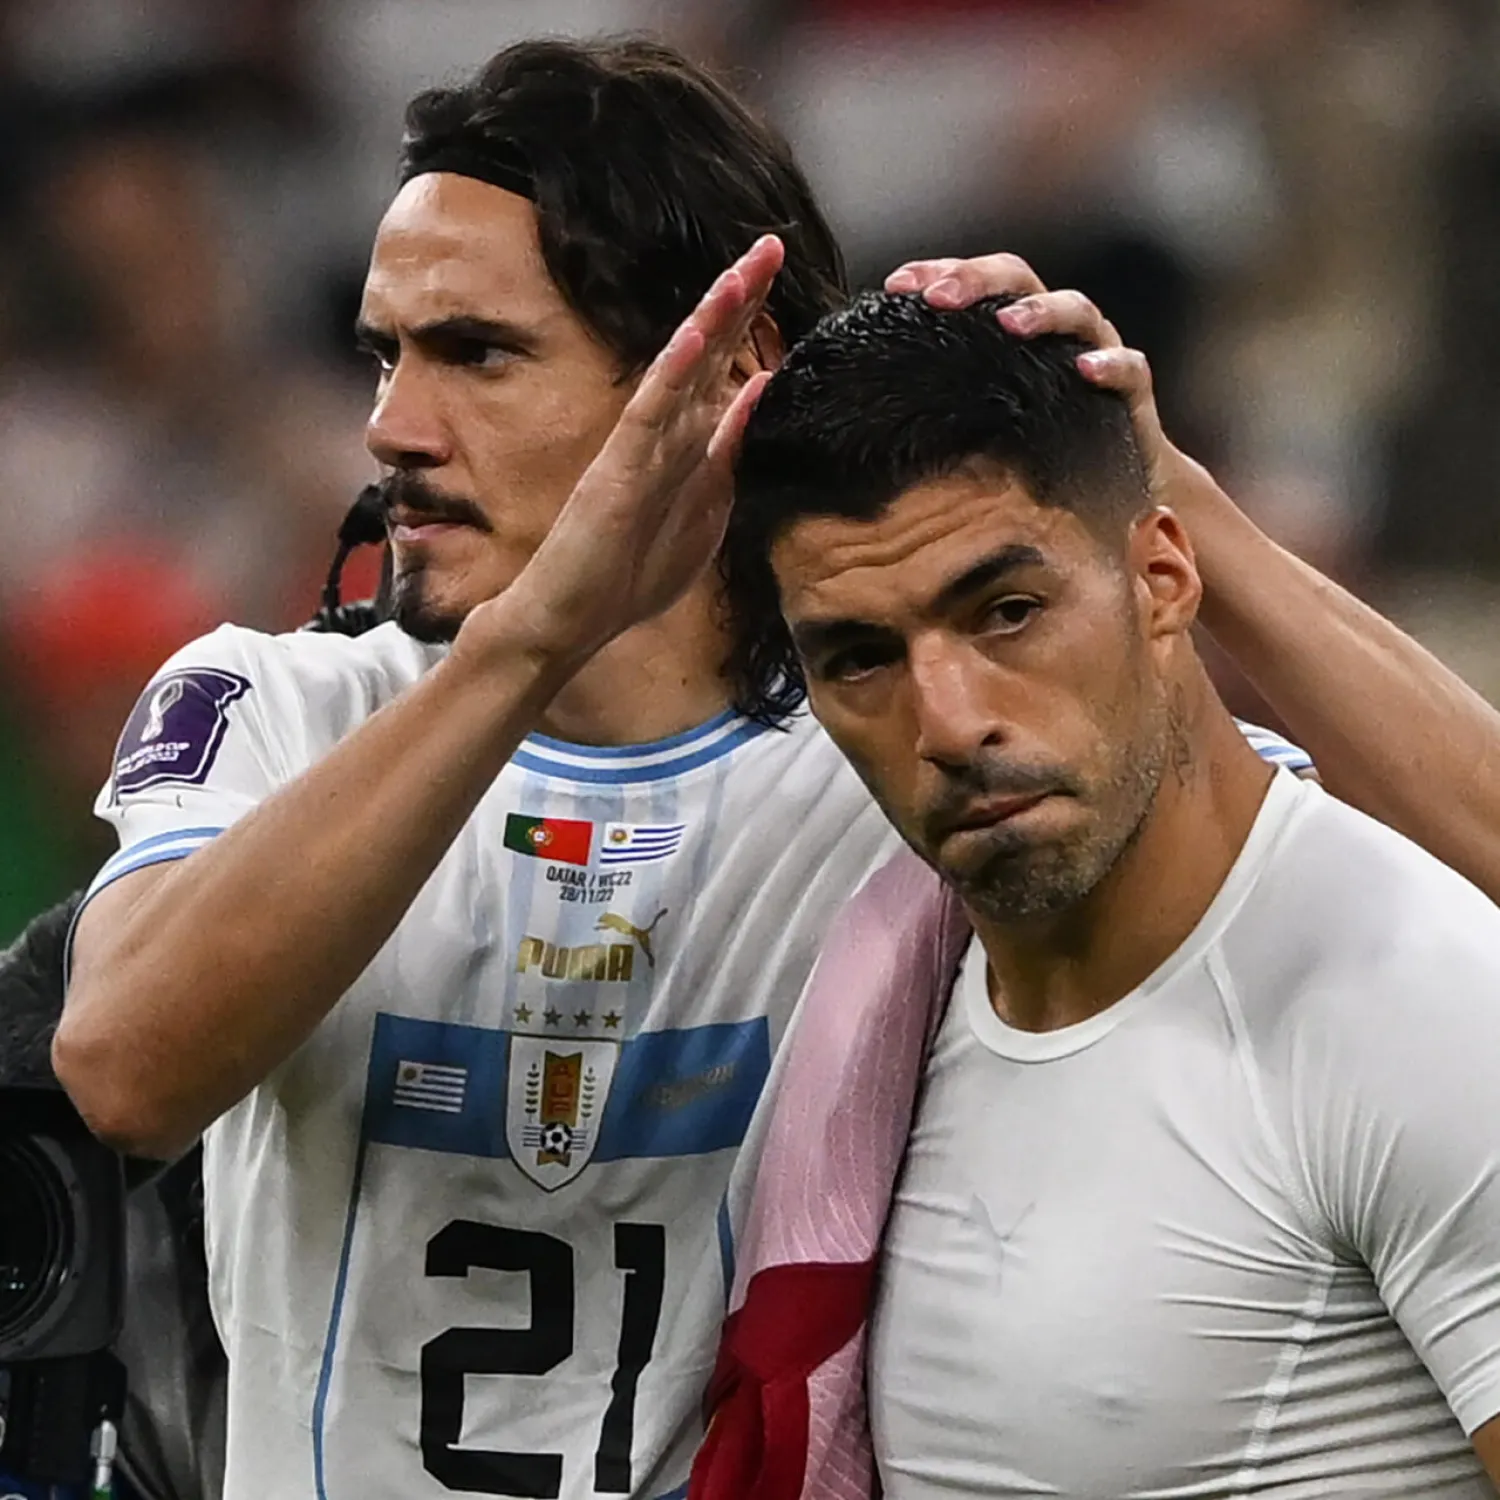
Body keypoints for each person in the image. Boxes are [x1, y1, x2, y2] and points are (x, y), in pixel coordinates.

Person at [51, 37, 907, 1500]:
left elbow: (1386, 909)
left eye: (477, 352)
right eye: (387, 354)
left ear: (724, 373)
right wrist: (526, 649)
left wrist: (1173, 508)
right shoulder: (267, 703)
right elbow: (125, 1070)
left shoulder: (898, 764)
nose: (392, 427)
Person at [714, 287, 1500, 1497]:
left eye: (1008, 613)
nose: (950, 722)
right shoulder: (871, 1016)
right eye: (861, 657)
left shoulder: (1422, 1007)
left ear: (1165, 578)